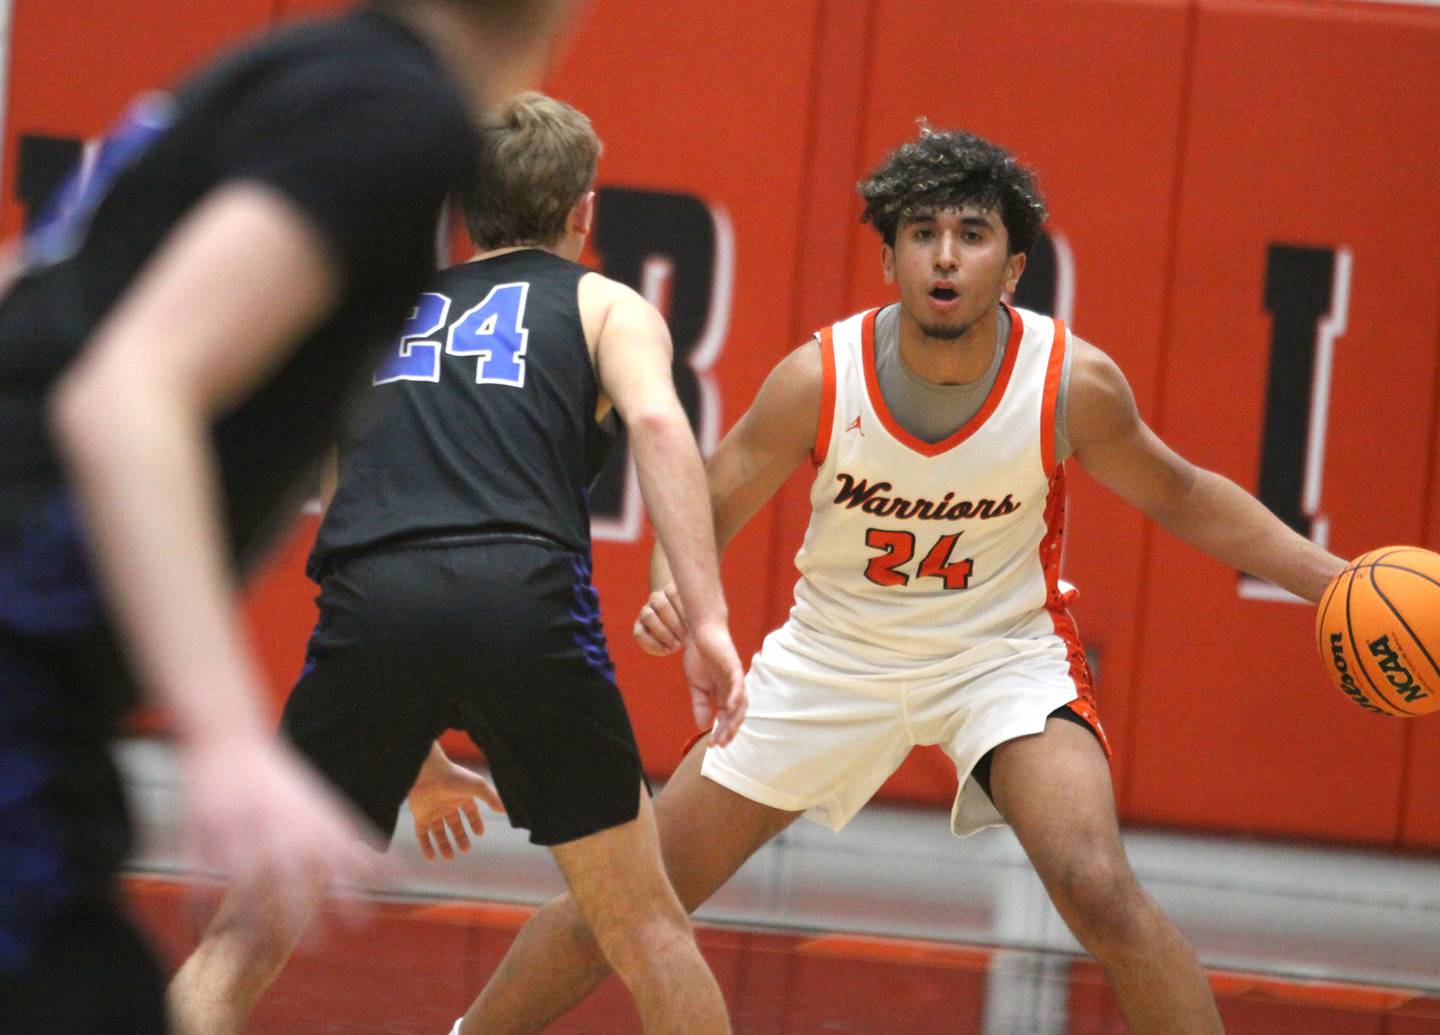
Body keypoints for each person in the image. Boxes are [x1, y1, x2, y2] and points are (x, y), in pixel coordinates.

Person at [452, 126, 1351, 1035]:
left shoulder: (1073, 382)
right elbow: (708, 497)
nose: (945, 254)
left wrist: (1333, 579)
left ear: (1014, 265)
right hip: (832, 659)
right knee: (626, 899)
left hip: (999, 658)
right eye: (921, 233)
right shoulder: (818, 378)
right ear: (888, 258)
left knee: (1100, 887)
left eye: (971, 232)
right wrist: (676, 590)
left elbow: (1185, 493)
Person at [0, 2, 579, 1030]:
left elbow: (37, 293)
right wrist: (226, 740)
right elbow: (124, 392)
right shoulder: (392, 119)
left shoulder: (296, 69)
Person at [167, 92, 745, 1035]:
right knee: (647, 929)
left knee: (243, 934)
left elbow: (363, 510)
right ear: (582, 211)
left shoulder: (382, 317)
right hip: (522, 594)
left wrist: (412, 743)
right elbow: (654, 421)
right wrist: (709, 617)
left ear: (464, 211)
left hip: (371, 601)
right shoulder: (603, 302)